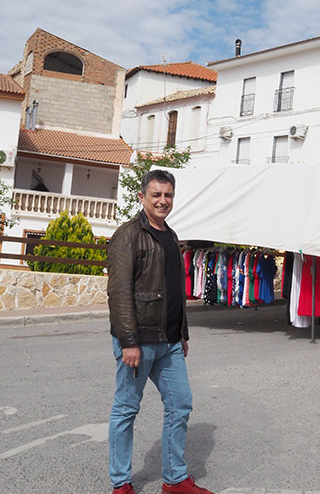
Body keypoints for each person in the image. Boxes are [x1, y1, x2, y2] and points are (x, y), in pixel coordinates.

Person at [107, 170, 212, 494]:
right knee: (126, 409)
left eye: (167, 195)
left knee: (180, 404)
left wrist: (182, 333)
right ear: (142, 197)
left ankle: (175, 480)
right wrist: (129, 341)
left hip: (169, 343)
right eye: (156, 195)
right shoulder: (128, 235)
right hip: (139, 340)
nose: (162, 201)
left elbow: (174, 290)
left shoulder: (170, 235)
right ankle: (120, 483)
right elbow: (119, 292)